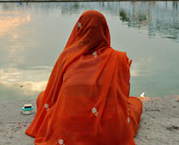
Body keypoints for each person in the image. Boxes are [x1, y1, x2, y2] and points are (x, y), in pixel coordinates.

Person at [26, 10, 142, 145]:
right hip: (109, 128)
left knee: (43, 97)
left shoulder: (67, 57)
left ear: (79, 29)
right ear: (104, 30)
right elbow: (122, 97)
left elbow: (54, 95)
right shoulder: (119, 58)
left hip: (67, 126)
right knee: (136, 103)